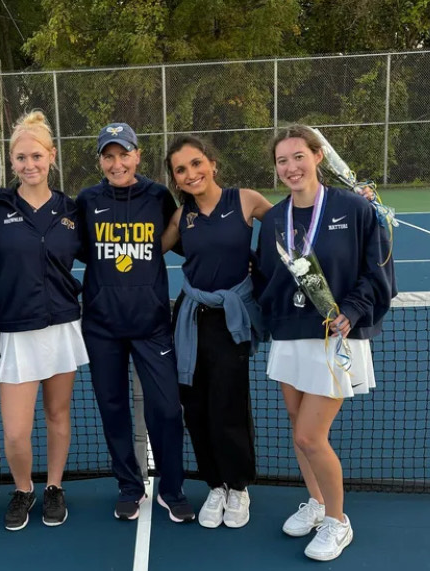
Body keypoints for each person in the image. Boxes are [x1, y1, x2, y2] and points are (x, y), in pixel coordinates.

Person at [256, 124, 395, 561]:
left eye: (299, 156)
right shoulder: (275, 218)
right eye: (282, 160)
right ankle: (316, 503)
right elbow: (267, 276)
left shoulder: (354, 208)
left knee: (311, 436)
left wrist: (350, 312)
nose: (291, 167)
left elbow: (378, 273)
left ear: (318, 157)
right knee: (299, 437)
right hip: (291, 338)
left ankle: (338, 521)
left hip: (335, 336)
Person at [76, 122, 195, 523]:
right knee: (113, 409)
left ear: (138, 155)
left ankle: (172, 489)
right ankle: (129, 485)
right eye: (108, 156)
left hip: (151, 325)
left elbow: (191, 235)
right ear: (100, 161)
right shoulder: (87, 201)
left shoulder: (158, 197)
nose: (117, 163)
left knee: (166, 409)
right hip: (101, 327)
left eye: (124, 154)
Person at [0, 111, 88, 532]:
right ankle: (24, 488)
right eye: (21, 158)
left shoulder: (71, 210)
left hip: (62, 328)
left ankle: (54, 487)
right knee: (15, 432)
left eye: (37, 156)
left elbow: (98, 259)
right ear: (12, 162)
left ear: (51, 157)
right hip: (16, 332)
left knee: (58, 415)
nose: (30, 165)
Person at [162, 135, 270, 529]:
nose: (191, 174)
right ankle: (214, 485)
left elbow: (292, 227)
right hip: (190, 321)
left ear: (212, 163)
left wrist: (354, 205)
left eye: (195, 163)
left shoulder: (246, 200)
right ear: (175, 179)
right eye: (181, 170)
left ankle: (238, 486)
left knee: (229, 403)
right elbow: (145, 252)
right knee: (194, 406)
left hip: (231, 321)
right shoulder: (181, 219)